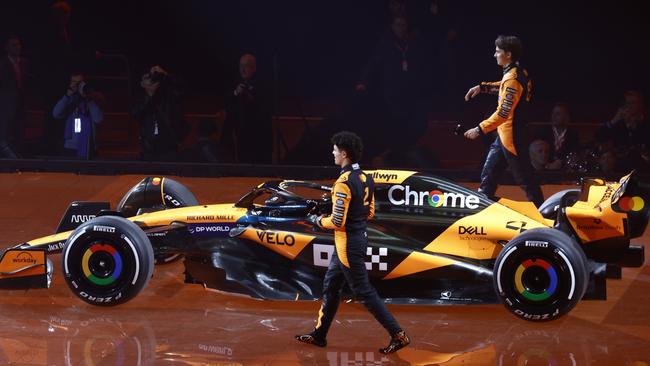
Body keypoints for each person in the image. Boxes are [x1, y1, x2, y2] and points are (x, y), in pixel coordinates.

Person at [295, 131, 410, 354]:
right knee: (331, 286)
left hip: (347, 245)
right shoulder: (366, 178)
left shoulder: (343, 183)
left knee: (364, 292)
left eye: (335, 150)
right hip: (354, 241)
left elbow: (338, 221)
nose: (333, 153)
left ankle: (399, 334)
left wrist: (318, 221)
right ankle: (319, 335)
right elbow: (370, 212)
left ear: (344, 153)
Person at [463, 35, 544, 207]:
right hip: (504, 136)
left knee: (526, 179)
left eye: (497, 51)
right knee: (488, 175)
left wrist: (479, 129)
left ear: (508, 54)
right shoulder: (518, 73)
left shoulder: (513, 79)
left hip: (512, 137)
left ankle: (546, 216)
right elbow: (503, 87)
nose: (494, 55)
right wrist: (482, 87)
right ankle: (480, 212)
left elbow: (502, 114)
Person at [222, 53, 272, 164]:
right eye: (241, 66)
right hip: (239, 131)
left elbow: (266, 104)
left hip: (258, 133)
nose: (243, 70)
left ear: (254, 68)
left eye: (247, 66)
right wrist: (236, 93)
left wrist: (251, 95)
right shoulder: (234, 82)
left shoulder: (263, 84)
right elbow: (226, 101)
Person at [132, 65, 187, 161]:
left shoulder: (168, 98)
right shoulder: (139, 101)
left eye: (152, 76)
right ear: (142, 84)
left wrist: (165, 74)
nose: (151, 79)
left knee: (169, 175)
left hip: (169, 148)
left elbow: (181, 88)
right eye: (147, 77)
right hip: (149, 149)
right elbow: (139, 114)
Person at [52, 72, 103, 159]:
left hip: (88, 146)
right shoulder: (68, 100)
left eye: (80, 82)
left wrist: (89, 98)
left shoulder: (93, 99)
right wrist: (67, 96)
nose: (78, 85)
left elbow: (98, 119)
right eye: (74, 82)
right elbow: (56, 114)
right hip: (70, 146)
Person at [0, 35, 25, 158]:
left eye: (18, 44)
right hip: (6, 105)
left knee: (18, 133)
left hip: (20, 104)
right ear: (7, 48)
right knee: (5, 134)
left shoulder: (24, 63)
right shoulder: (2, 64)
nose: (17, 47)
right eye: (13, 45)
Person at [534, 102, 580, 170]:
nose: (553, 116)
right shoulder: (543, 133)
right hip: (544, 171)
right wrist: (547, 166)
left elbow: (575, 155)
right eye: (553, 113)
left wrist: (561, 163)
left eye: (558, 114)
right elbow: (535, 154)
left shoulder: (573, 135)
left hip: (565, 171)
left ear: (566, 116)